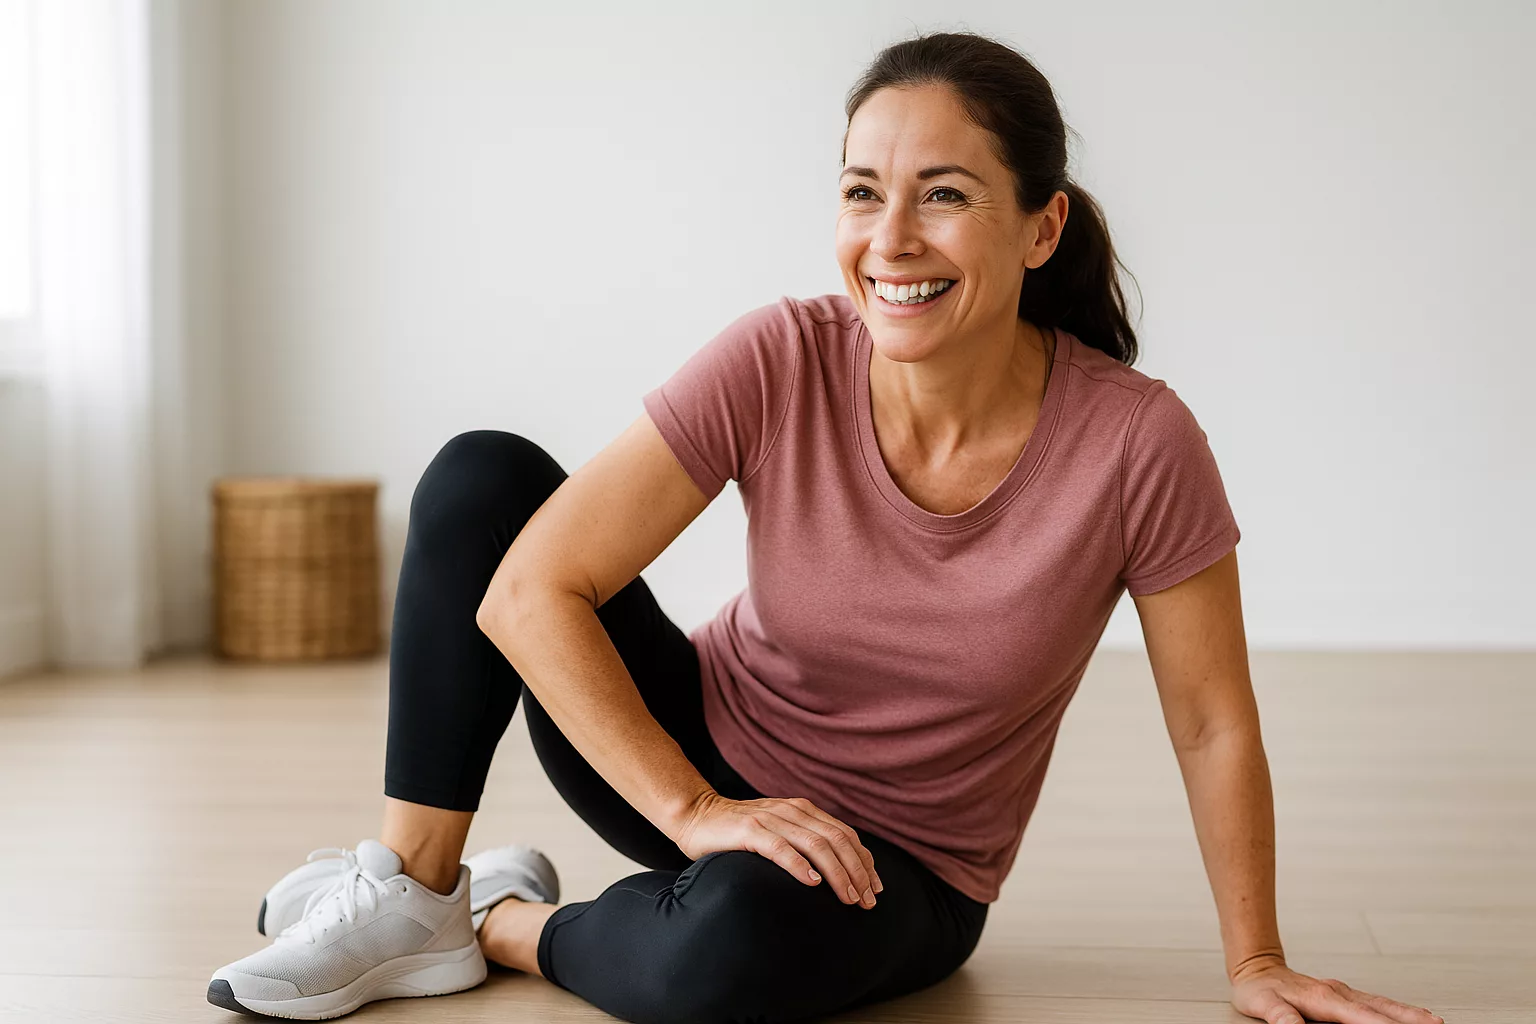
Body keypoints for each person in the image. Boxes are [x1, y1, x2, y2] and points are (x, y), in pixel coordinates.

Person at [207, 29, 1446, 1024]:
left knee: (733, 947)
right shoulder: (783, 354)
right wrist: (697, 813)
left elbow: (1212, 718)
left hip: (903, 867)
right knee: (485, 482)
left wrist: (1257, 957)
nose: (890, 241)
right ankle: (415, 893)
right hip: (702, 753)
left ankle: (504, 925)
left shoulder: (1137, 443)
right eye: (863, 192)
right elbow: (529, 588)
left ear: (1041, 225)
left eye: (945, 195)